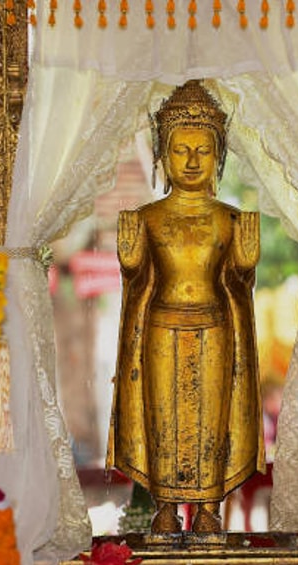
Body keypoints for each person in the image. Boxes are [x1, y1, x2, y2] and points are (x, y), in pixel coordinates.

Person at [106, 80, 264, 534]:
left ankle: (210, 508)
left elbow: (237, 286)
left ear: (219, 156)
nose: (192, 161)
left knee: (213, 416)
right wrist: (131, 266)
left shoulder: (231, 219)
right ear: (162, 154)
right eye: (180, 150)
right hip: (160, 326)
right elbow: (138, 283)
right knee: (162, 417)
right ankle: (164, 506)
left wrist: (244, 269)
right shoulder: (146, 219)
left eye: (203, 150)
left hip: (215, 328)